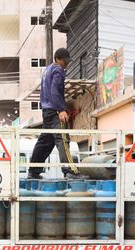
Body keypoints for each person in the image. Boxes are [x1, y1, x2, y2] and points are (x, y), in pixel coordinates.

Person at [28, 48, 87, 180]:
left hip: (46, 111)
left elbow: (46, 91)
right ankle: (70, 171)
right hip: (55, 110)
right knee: (62, 139)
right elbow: (55, 90)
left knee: (45, 142)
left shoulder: (47, 70)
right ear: (58, 59)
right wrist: (61, 109)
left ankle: (33, 171)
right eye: (65, 61)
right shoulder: (58, 70)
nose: (67, 64)